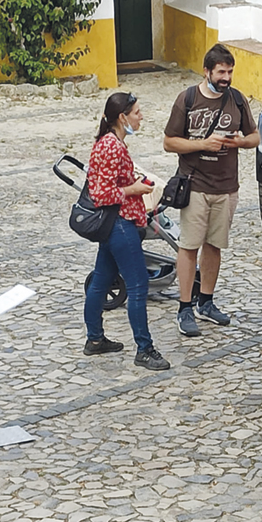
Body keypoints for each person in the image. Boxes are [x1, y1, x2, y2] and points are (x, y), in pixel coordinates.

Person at [163, 43, 260, 337]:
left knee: (215, 245)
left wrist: (238, 143)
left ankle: (206, 301)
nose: (226, 77)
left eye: (230, 71)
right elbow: (169, 142)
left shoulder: (237, 100)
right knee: (189, 246)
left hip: (226, 187)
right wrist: (203, 145)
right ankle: (184, 307)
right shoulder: (188, 99)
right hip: (195, 184)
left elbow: (254, 137)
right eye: (221, 71)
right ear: (207, 71)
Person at [83, 92, 170, 371]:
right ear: (122, 117)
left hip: (114, 223)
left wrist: (134, 182)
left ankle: (95, 339)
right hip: (120, 224)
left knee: (100, 281)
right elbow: (102, 193)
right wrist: (135, 189)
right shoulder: (112, 146)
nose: (141, 116)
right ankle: (144, 349)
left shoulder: (113, 143)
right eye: (137, 112)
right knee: (137, 286)